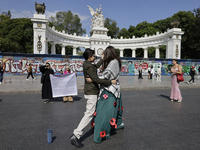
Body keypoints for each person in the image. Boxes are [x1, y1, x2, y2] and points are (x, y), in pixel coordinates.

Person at [69, 49, 117, 148]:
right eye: (94, 56)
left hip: (90, 91)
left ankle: (95, 128)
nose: (95, 57)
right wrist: (110, 82)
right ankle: (76, 135)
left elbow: (95, 67)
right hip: (91, 92)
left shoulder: (87, 64)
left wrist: (102, 59)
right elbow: (97, 79)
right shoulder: (89, 66)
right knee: (89, 114)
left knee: (92, 112)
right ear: (89, 56)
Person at [86, 46, 124, 143]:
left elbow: (106, 76)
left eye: (105, 54)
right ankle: (116, 125)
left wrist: (93, 78)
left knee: (103, 112)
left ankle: (101, 133)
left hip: (109, 90)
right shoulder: (116, 61)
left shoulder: (113, 62)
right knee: (111, 110)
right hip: (113, 89)